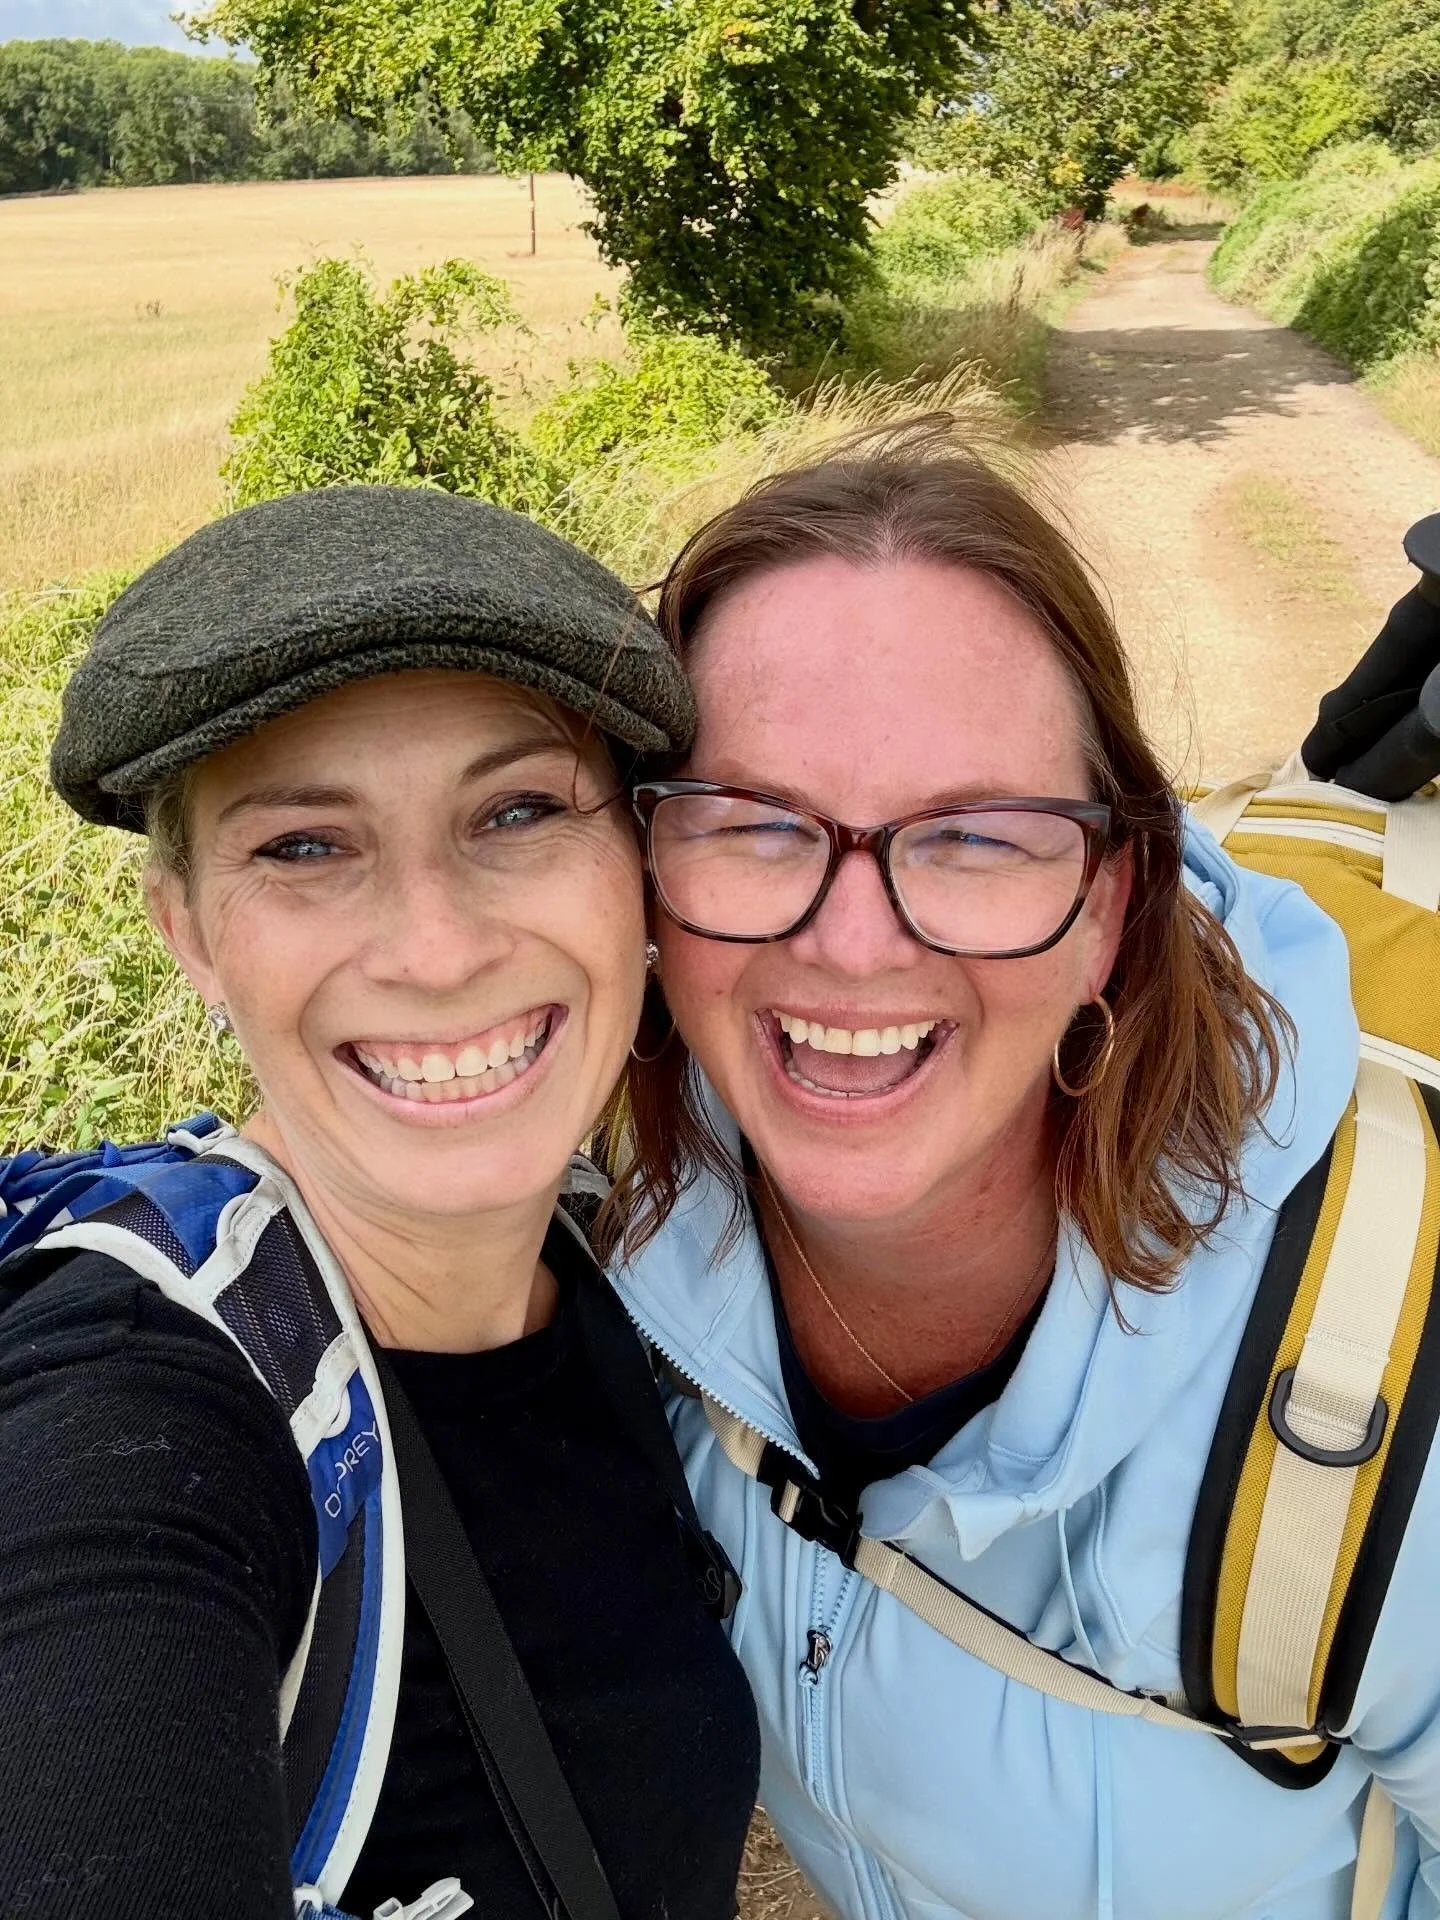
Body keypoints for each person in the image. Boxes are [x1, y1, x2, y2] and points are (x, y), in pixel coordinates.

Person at [608, 419, 1440, 1918]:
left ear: (1113, 900)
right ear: (643, 879)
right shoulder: (616, 1229)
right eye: (751, 822)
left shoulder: (1398, 1416)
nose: (851, 945)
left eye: (978, 837)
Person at [0, 485, 759, 1920]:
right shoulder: (136, 1410)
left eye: (519, 810)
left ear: (642, 877)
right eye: (304, 845)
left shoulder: (636, 1266)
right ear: (190, 934)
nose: (434, 944)